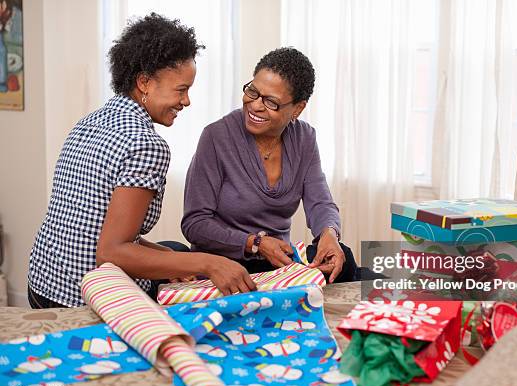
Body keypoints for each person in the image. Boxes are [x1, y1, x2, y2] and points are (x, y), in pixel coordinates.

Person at [28, 13, 255, 309]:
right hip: (80, 296)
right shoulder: (145, 144)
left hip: (43, 282)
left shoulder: (90, 122)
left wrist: (179, 262)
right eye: (181, 89)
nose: (186, 101)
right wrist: (210, 264)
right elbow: (112, 253)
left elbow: (94, 226)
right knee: (194, 284)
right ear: (144, 82)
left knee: (174, 252)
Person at [182, 47, 358, 283]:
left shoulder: (304, 138)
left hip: (277, 264)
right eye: (253, 92)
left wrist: (329, 234)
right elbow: (195, 224)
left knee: (343, 258)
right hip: (226, 263)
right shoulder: (216, 137)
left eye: (271, 102)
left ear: (297, 108)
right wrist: (254, 243)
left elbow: (320, 202)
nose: (255, 105)